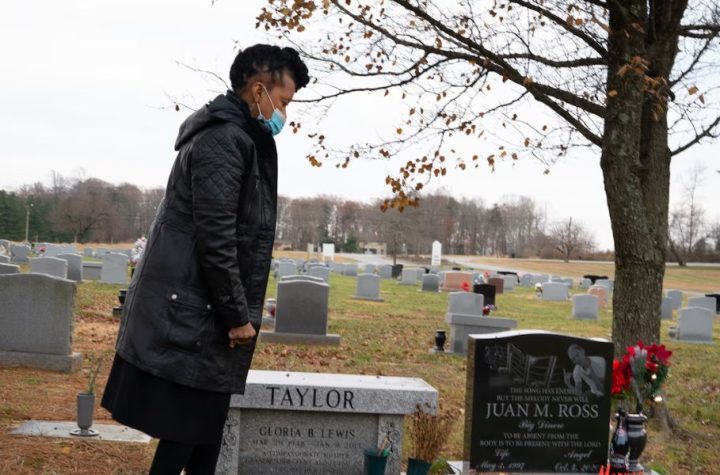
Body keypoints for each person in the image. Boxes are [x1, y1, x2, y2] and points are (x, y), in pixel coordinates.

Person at [101, 44, 309, 474]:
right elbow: (216, 238)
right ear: (258, 90)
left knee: (200, 440)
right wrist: (236, 316)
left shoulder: (241, 137)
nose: (285, 114)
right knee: (188, 438)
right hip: (198, 314)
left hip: (202, 311)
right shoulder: (223, 140)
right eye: (283, 101)